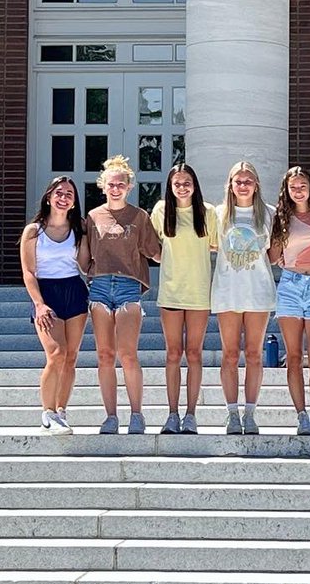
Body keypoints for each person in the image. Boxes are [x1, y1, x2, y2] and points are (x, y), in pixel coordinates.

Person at [84, 154, 162, 434]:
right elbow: (83, 258)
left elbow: (156, 252)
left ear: (129, 187)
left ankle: (137, 414)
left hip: (129, 285)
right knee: (105, 355)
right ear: (102, 186)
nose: (115, 188)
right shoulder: (93, 217)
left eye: (121, 184)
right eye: (111, 184)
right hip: (100, 286)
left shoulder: (139, 217)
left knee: (128, 353)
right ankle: (110, 416)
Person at [150, 162, 218, 435]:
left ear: (195, 183)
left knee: (194, 353)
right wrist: (165, 261)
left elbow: (214, 244)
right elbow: (152, 246)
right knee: (173, 354)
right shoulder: (160, 210)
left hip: (199, 291)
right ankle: (172, 414)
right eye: (176, 183)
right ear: (170, 185)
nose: (181, 187)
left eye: (186, 182)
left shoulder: (208, 212)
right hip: (171, 291)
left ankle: (191, 414)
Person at [19, 176, 89, 436]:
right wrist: (39, 305)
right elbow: (28, 272)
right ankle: (47, 413)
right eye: (59, 192)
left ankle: (61, 411)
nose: (64, 196)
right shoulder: (33, 231)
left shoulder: (78, 228)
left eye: (69, 193)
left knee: (71, 358)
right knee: (56, 354)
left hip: (74, 290)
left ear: (73, 202)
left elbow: (84, 265)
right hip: (46, 293)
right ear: (48, 197)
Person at [211, 161, 276, 435]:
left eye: (248, 180)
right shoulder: (218, 214)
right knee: (229, 354)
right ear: (230, 184)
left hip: (258, 290)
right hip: (228, 291)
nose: (243, 185)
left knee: (254, 354)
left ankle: (250, 413)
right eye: (238, 181)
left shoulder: (269, 214)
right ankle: (232, 413)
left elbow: (273, 254)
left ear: (256, 184)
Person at [269, 166, 310, 436]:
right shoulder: (280, 218)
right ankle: (301, 416)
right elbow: (272, 257)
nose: (298, 190)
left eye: (302, 185)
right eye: (293, 186)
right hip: (290, 286)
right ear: (286, 190)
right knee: (293, 357)